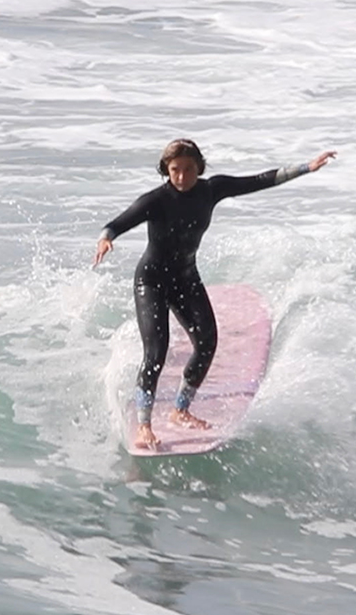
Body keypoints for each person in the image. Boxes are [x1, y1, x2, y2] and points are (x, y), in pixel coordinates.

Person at [92, 138, 336, 450]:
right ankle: (144, 426)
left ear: (199, 168)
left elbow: (259, 180)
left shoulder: (211, 190)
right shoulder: (155, 200)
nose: (181, 177)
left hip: (186, 278)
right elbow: (115, 224)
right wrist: (105, 239)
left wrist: (307, 167)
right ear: (166, 170)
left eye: (188, 169)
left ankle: (181, 410)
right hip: (152, 281)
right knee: (156, 353)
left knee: (207, 344)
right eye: (175, 170)